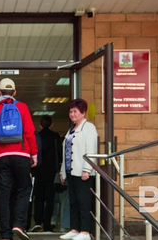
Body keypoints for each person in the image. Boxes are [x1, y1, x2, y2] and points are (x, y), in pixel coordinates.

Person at [0, 78, 38, 240]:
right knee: (24, 189)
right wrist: (34, 154)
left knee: (4, 194)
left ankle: (5, 234)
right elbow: (29, 132)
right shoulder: (22, 107)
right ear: (14, 92)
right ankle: (19, 224)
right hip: (21, 155)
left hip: (1, 157)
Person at [59, 99, 98, 240]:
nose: (72, 114)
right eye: (70, 111)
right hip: (71, 171)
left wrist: (87, 169)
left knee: (83, 202)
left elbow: (91, 150)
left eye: (75, 111)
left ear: (83, 112)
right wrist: (63, 172)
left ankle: (85, 231)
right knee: (73, 202)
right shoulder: (71, 129)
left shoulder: (89, 128)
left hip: (83, 172)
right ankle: (74, 229)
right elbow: (66, 152)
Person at [31, 116, 62, 233]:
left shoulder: (37, 136)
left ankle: (37, 222)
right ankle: (47, 224)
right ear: (51, 124)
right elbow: (59, 153)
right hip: (51, 170)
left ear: (40, 125)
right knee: (50, 199)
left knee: (38, 198)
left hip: (39, 170)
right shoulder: (55, 136)